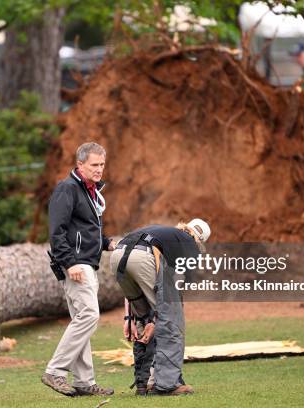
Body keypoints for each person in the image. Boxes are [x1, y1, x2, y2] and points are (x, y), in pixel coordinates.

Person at [41, 142, 116, 397]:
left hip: (86, 263)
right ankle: (55, 371)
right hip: (76, 264)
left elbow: (85, 229)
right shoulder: (67, 188)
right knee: (89, 316)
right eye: (94, 165)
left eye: (102, 164)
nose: (99, 169)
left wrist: (107, 243)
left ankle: (84, 382)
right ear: (80, 164)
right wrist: (69, 262)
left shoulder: (90, 191)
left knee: (81, 319)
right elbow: (57, 231)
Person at [109, 219, 211, 396]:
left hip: (117, 255)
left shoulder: (165, 233)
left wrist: (129, 317)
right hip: (143, 258)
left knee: (143, 318)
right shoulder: (189, 245)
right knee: (171, 320)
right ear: (200, 240)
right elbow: (180, 286)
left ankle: (144, 383)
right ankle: (167, 384)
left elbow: (134, 280)